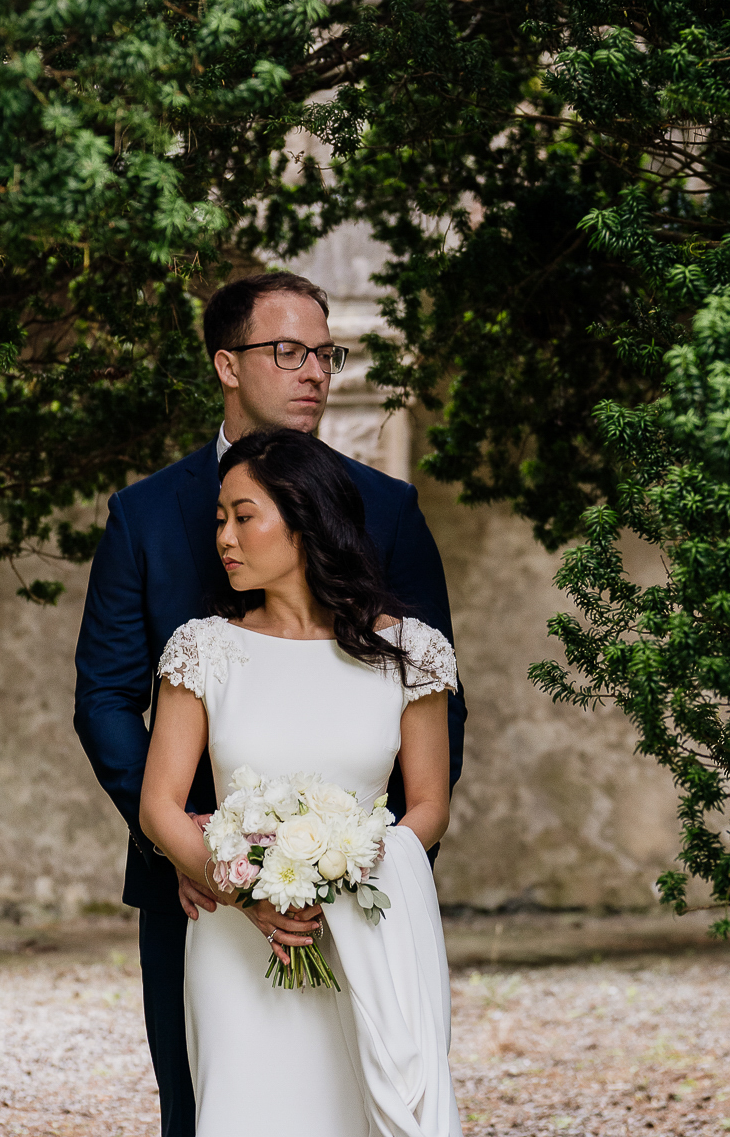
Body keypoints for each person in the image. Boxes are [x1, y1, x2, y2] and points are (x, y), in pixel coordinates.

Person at [72, 272, 466, 1137]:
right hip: (196, 890)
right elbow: (103, 697)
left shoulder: (389, 509)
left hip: (357, 892)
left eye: (325, 354)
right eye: (288, 352)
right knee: (209, 1107)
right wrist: (208, 850)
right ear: (226, 364)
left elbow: (433, 705)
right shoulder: (145, 515)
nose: (314, 372)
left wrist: (355, 870)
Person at [140, 428, 463, 1137]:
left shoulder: (412, 654)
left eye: (243, 515)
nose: (224, 535)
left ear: (305, 516)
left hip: (367, 938)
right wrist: (248, 892)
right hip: (234, 947)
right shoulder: (203, 649)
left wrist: (353, 875)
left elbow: (430, 804)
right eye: (219, 518)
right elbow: (160, 806)